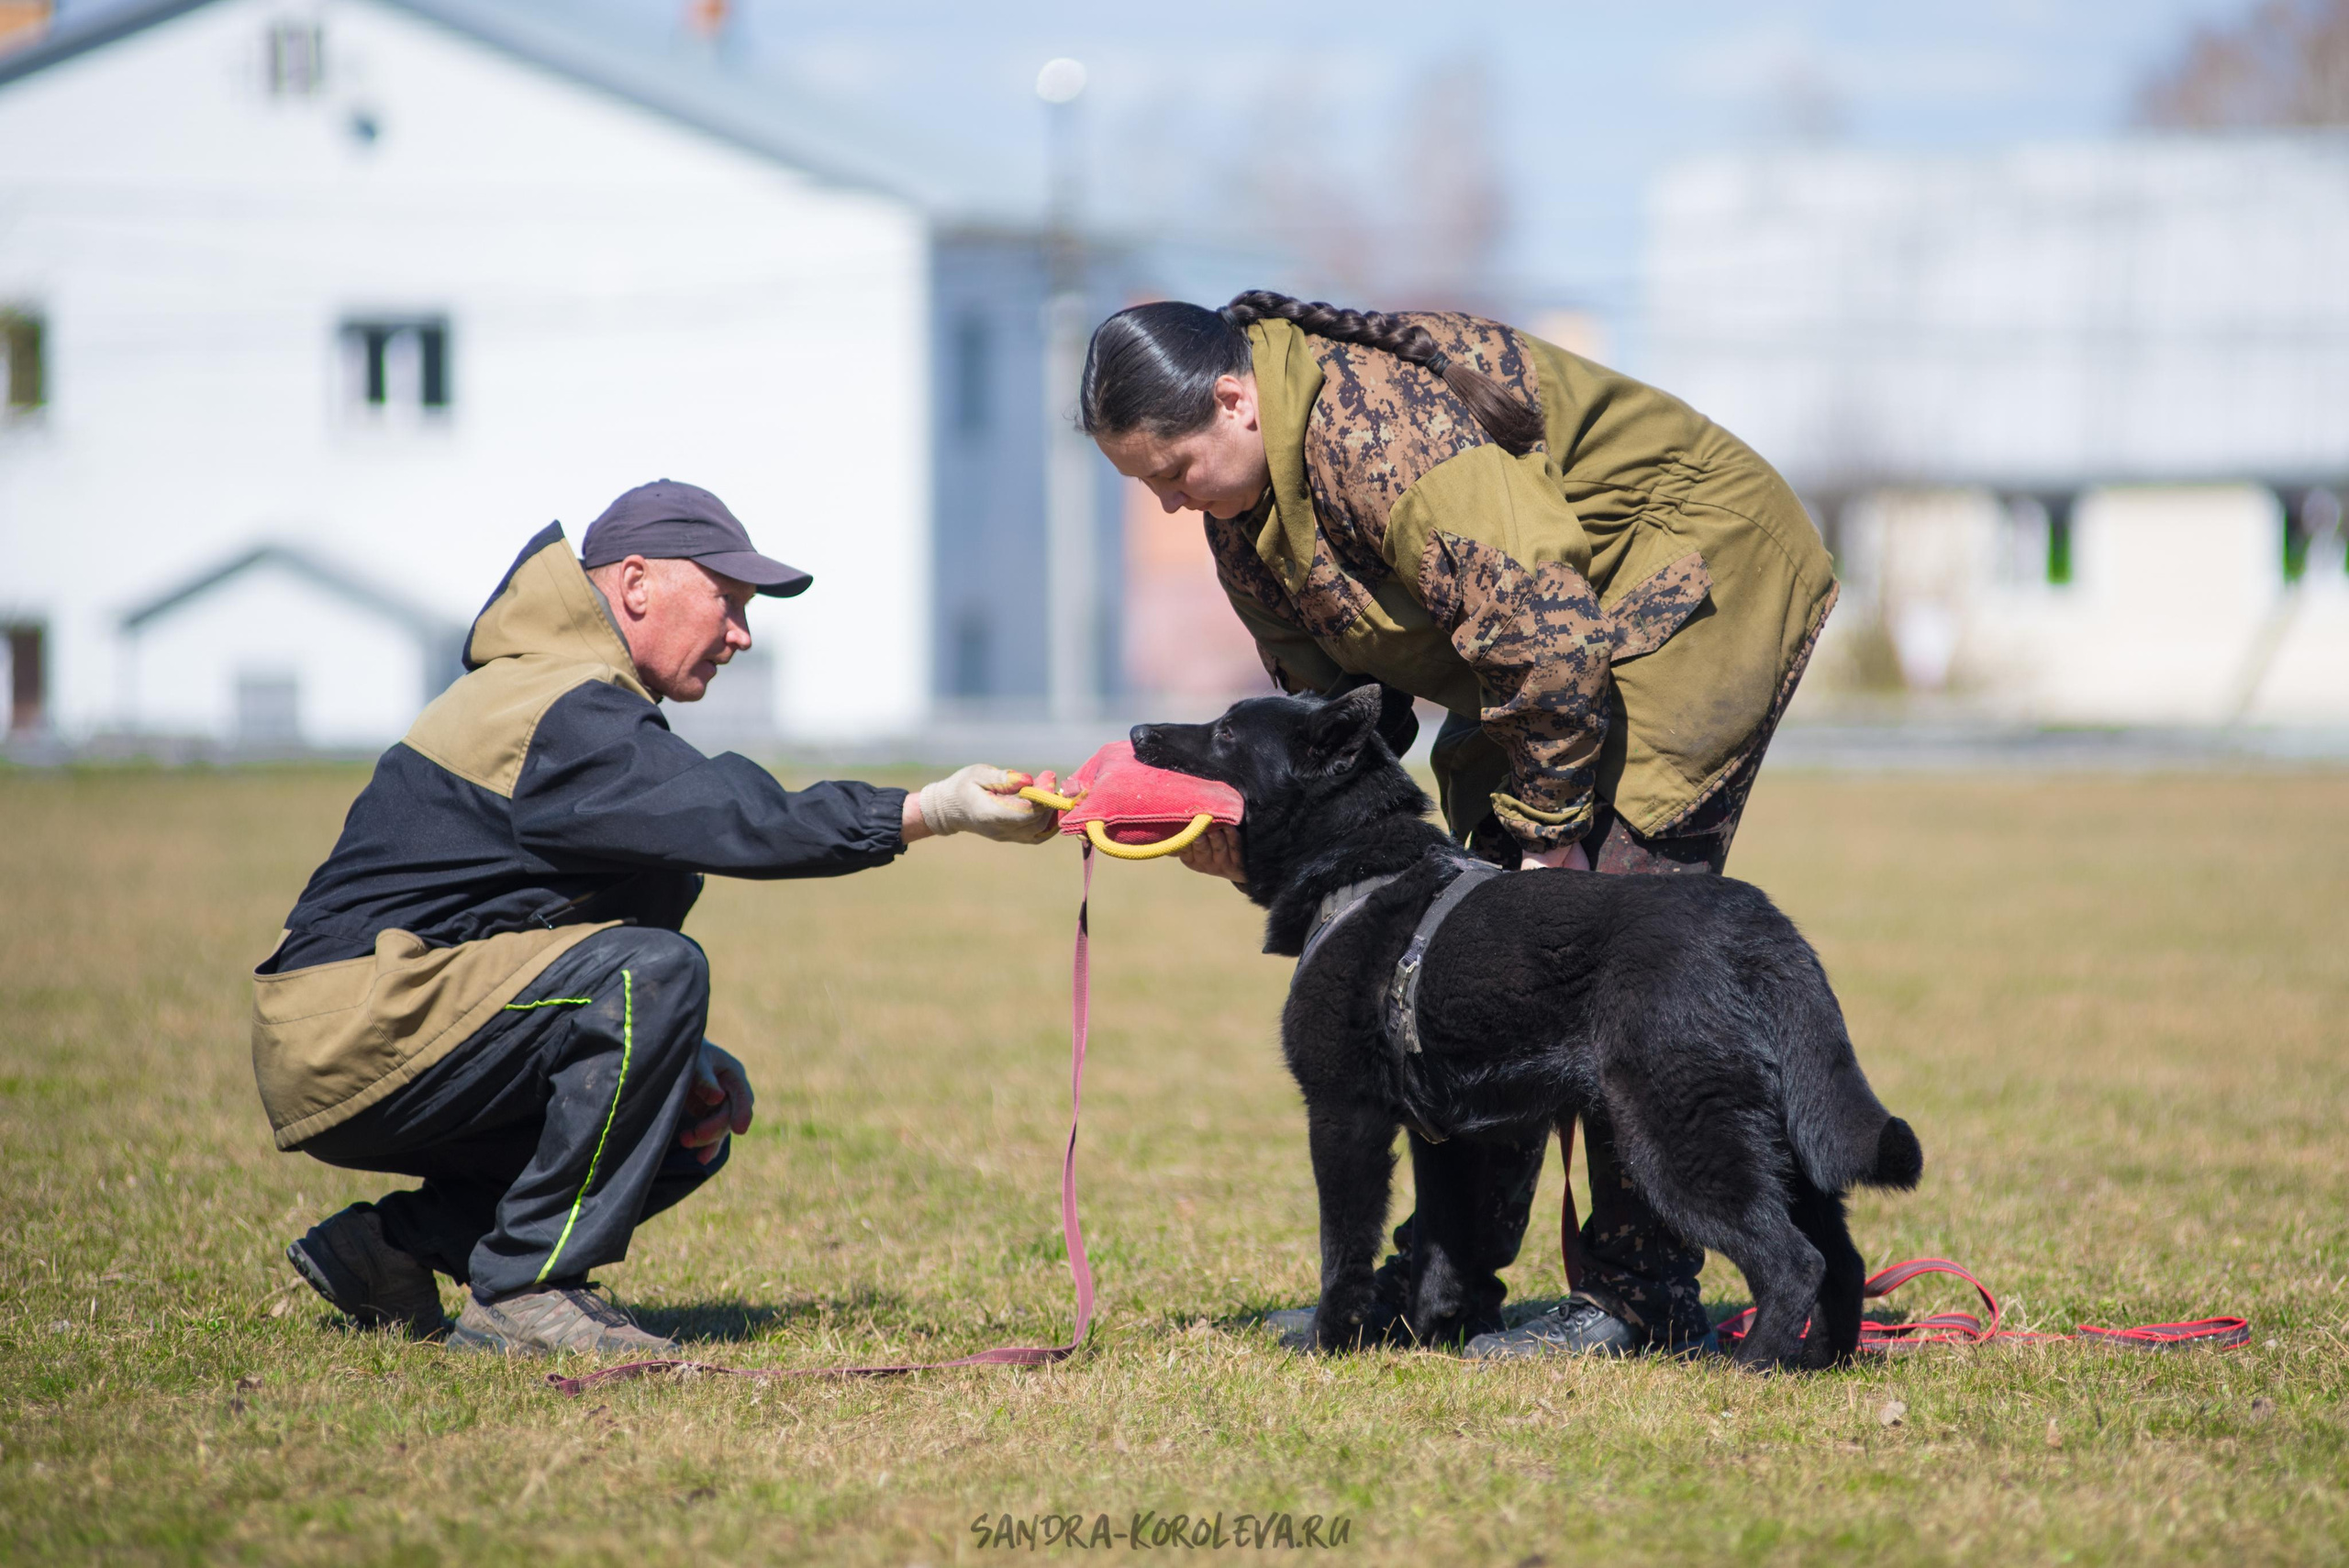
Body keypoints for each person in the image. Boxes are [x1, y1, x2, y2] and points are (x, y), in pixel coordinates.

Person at [1080, 293, 1838, 1359]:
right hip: (1534, 662)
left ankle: (1638, 1297)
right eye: (1144, 484)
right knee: (1463, 968)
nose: (1165, 504)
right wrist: (1241, 842)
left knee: (1617, 951)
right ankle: (1443, 1286)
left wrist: (1548, 831)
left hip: (1681, 588)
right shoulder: (1241, 522)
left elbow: (1545, 630)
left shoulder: (1376, 432)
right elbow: (1340, 737)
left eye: (1171, 470)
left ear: (1233, 401)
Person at [260, 480, 1058, 1355]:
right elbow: (736, 813)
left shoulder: (573, 699)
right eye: (727, 600)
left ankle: (389, 1250)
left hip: (387, 1016)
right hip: (351, 1025)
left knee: (686, 1107)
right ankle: (525, 1290)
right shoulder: (557, 704)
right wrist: (933, 808)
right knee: (655, 975)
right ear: (636, 584)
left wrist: (671, 1054)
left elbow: (521, 922)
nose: (743, 634)